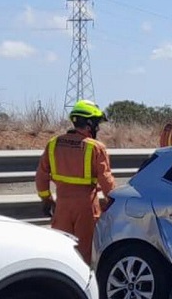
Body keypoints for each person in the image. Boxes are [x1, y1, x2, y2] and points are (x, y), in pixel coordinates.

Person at [35, 100, 116, 263]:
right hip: (86, 208)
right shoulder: (95, 147)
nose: (98, 129)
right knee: (85, 254)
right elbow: (106, 179)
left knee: (61, 252)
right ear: (89, 124)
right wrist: (115, 201)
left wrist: (46, 199)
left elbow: (41, 176)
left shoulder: (53, 144)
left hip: (61, 207)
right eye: (96, 124)